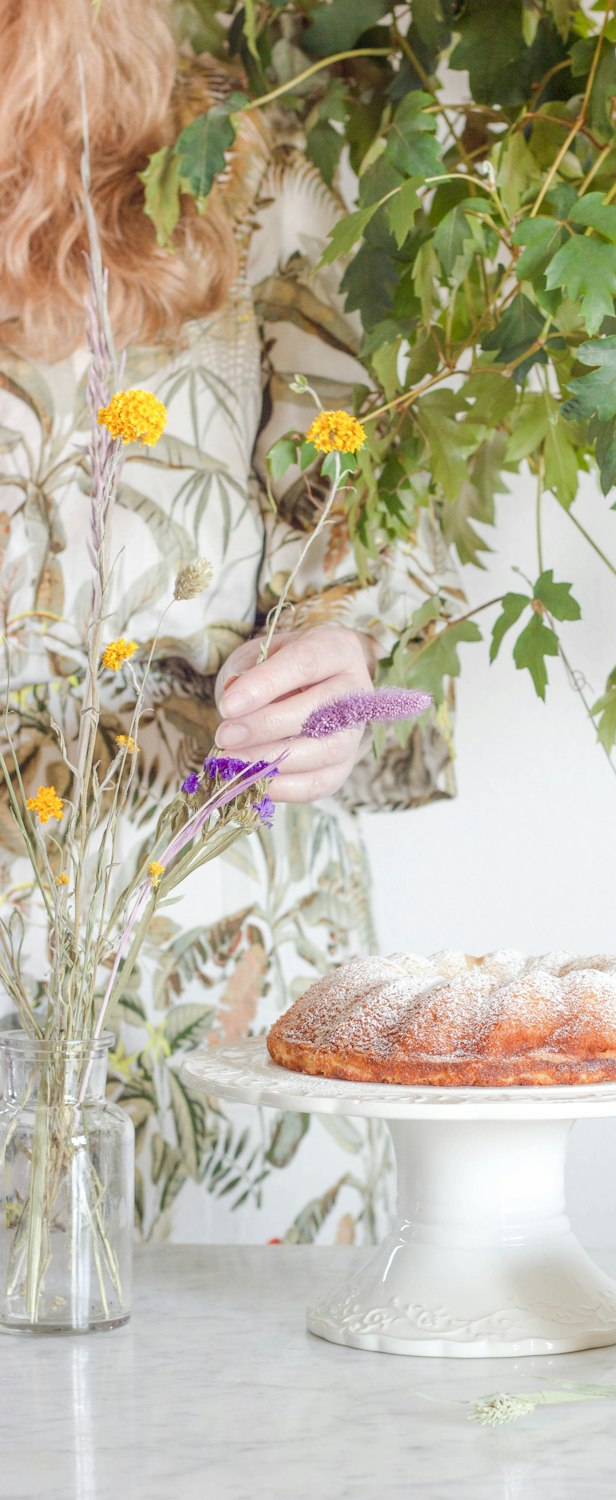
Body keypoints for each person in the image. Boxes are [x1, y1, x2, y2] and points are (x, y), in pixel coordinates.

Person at [0, 0, 458, 1243]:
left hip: (215, 986)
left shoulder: (256, 121)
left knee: (259, 1423)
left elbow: (350, 491)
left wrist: (335, 663)